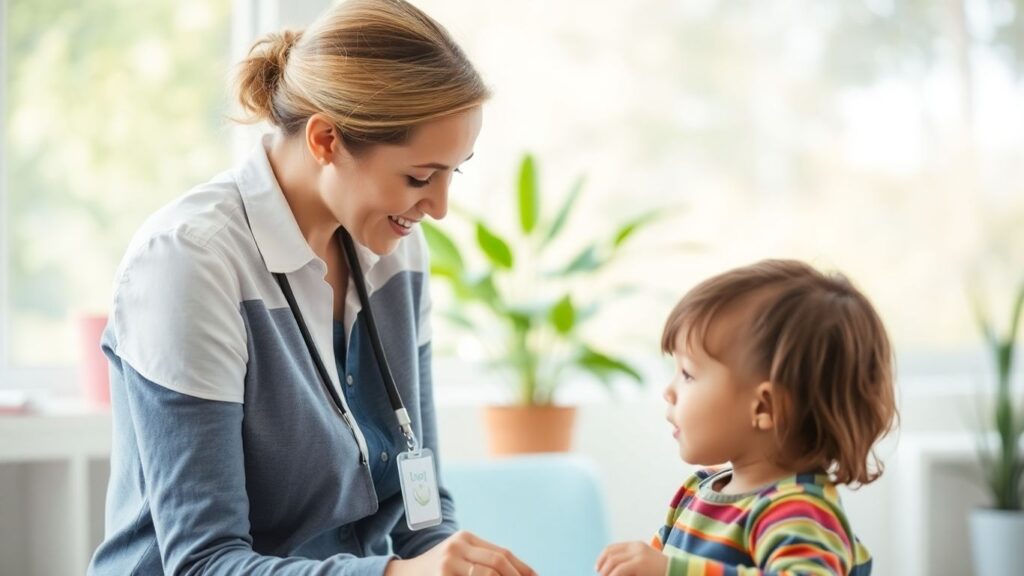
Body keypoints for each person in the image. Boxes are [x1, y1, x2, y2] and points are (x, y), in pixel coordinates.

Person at [88, 1, 535, 574]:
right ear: (326, 140)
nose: (440, 208)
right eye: (420, 177)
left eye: (455, 171)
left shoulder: (396, 249)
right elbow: (204, 563)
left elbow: (418, 517)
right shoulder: (191, 260)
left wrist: (460, 565)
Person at [596, 259, 897, 576]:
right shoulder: (696, 492)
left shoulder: (798, 512)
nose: (668, 392)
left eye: (687, 374)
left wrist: (670, 572)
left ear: (765, 408)